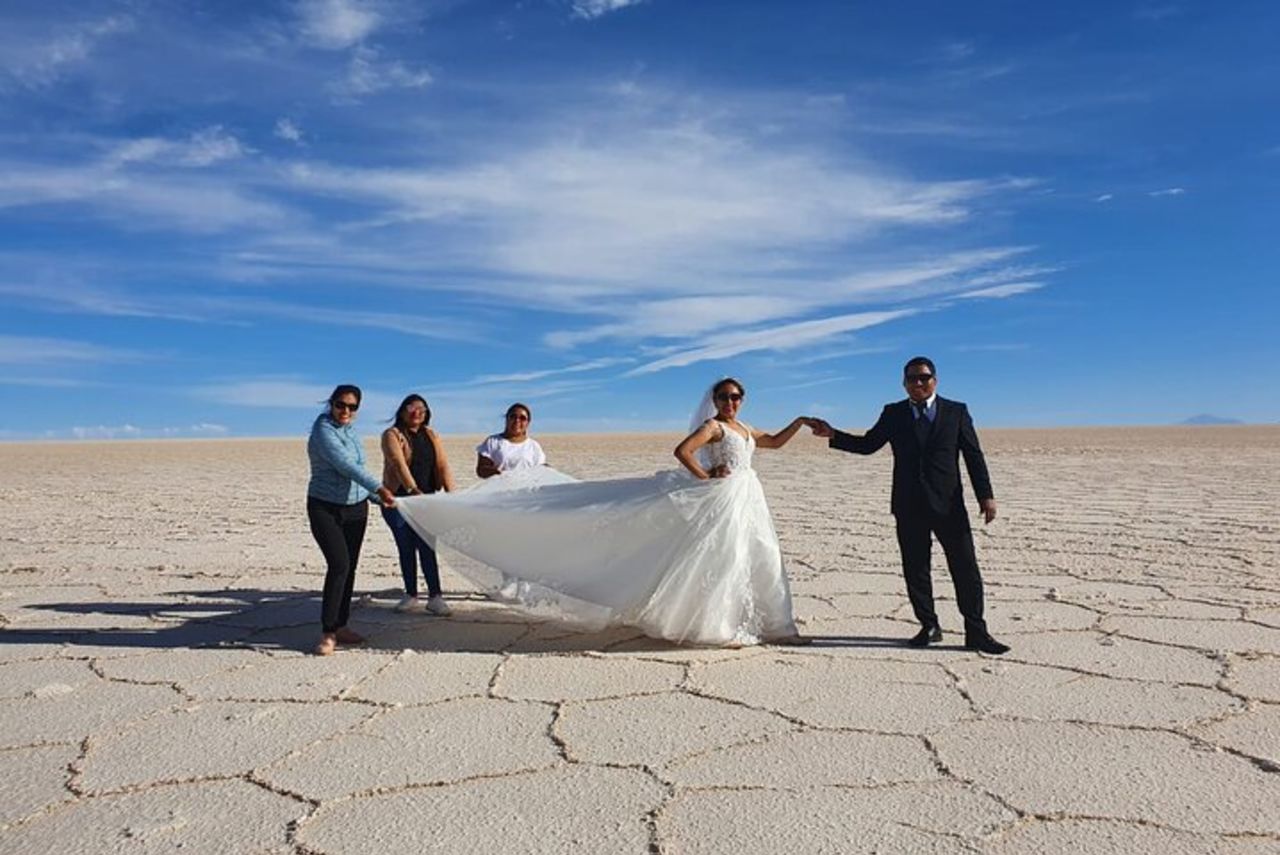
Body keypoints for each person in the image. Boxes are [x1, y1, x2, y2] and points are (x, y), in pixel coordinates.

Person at [395, 378, 815, 647]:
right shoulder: (715, 427)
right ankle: (719, 626)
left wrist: (800, 421)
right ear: (715, 401)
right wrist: (706, 476)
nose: (731, 402)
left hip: (746, 496)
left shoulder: (745, 428)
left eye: (737, 397)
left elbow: (774, 441)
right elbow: (683, 451)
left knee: (754, 556)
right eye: (724, 397)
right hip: (721, 495)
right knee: (720, 559)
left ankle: (768, 622)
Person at [810, 357, 1009, 654]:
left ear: (935, 380)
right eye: (912, 379)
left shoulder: (956, 411)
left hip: (949, 505)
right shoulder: (894, 413)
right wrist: (833, 434)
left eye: (924, 377)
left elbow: (973, 455)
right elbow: (868, 445)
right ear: (904, 383)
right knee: (916, 569)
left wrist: (986, 496)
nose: (918, 383)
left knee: (965, 567)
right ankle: (929, 626)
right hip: (908, 504)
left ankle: (976, 631)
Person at [307, 384, 396, 657]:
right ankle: (328, 632)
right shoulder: (323, 430)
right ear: (331, 404)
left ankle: (342, 624)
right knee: (339, 565)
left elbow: (359, 474)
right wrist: (380, 488)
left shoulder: (352, 433)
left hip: (355, 509)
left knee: (350, 568)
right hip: (325, 507)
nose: (345, 410)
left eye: (352, 407)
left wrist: (379, 499)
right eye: (340, 405)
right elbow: (345, 465)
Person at [380, 394, 456, 616]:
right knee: (406, 546)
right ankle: (411, 594)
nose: (417, 412)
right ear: (402, 411)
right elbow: (398, 463)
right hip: (398, 501)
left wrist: (453, 495)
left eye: (421, 408)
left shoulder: (431, 435)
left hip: (427, 501)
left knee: (427, 547)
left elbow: (442, 465)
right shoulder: (392, 435)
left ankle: (435, 596)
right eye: (411, 407)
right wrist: (414, 491)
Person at [476, 402, 545, 478]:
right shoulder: (492, 441)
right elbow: (481, 469)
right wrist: (497, 473)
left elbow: (540, 472)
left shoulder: (534, 446)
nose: (517, 421)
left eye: (522, 418)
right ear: (506, 419)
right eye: (513, 417)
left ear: (528, 423)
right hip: (499, 488)